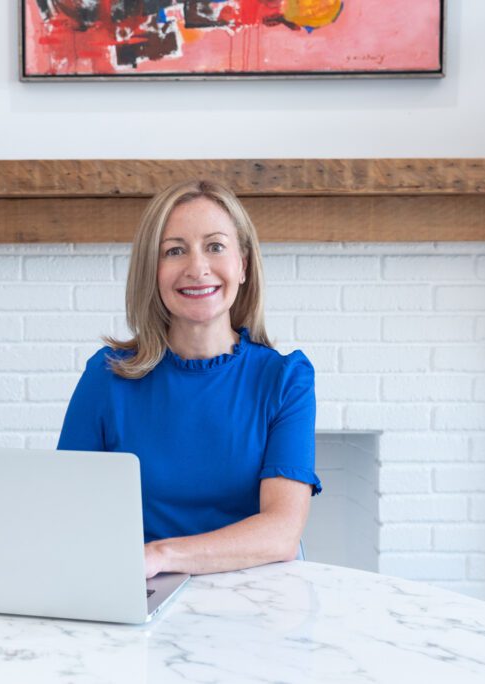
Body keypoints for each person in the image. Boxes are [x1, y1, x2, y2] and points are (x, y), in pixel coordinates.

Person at [57, 179, 321, 579]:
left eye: (215, 246)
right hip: (136, 590)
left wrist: (161, 556)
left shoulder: (285, 380)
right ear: (152, 270)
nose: (197, 268)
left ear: (243, 264)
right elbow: (68, 511)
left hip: (254, 596)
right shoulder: (106, 377)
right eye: (174, 251)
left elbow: (281, 533)